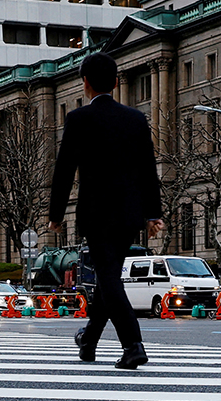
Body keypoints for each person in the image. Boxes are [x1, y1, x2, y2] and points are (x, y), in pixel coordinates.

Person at [49, 52, 163, 370]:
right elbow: (148, 171)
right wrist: (153, 214)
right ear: (115, 82)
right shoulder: (136, 119)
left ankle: (132, 344)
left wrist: (56, 214)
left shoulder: (79, 119)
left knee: (109, 277)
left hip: (96, 213)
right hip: (130, 214)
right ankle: (89, 340)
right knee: (108, 277)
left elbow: (64, 170)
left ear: (85, 83)